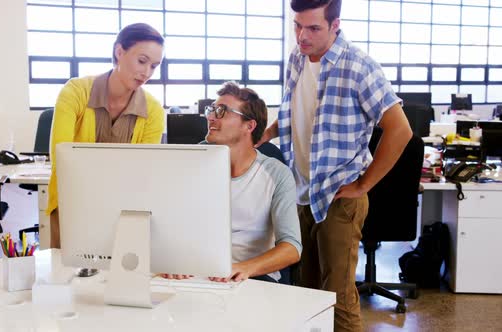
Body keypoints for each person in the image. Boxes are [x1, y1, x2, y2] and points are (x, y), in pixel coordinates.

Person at [256, 1, 412, 331]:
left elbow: (401, 130)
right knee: (309, 296)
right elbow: (293, 110)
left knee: (338, 299)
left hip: (340, 196)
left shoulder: (359, 67)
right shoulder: (297, 58)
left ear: (335, 25)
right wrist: (267, 132)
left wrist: (363, 185)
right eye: (297, 25)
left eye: (313, 28)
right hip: (303, 191)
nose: (301, 36)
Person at [163, 82, 302, 283]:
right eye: (212, 110)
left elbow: (291, 247)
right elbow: (169, 224)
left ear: (249, 125)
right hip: (196, 271)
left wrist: (242, 268)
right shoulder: (192, 162)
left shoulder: (277, 174)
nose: (210, 117)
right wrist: (173, 259)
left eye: (222, 111)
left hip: (251, 276)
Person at [46, 23, 165, 248]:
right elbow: (62, 156)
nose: (147, 73)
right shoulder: (76, 92)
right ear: (119, 52)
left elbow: (143, 169)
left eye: (154, 66)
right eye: (142, 61)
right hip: (72, 202)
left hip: (125, 210)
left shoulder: (153, 110)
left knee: (119, 278)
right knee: (68, 277)